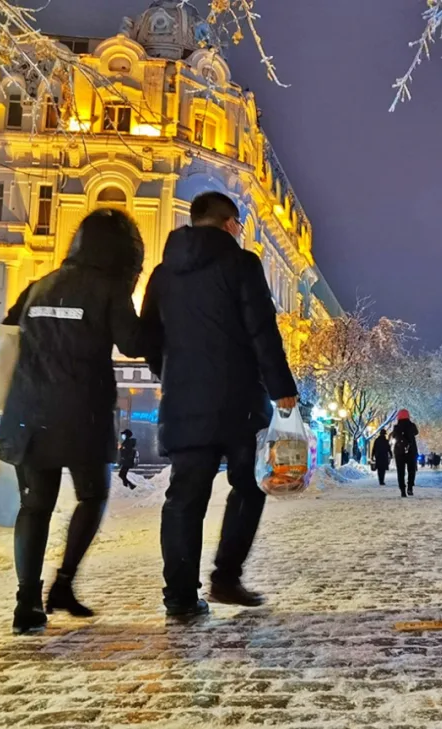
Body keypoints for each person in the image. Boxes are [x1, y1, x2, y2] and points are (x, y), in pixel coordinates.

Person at [141, 192, 298, 619]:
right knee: (248, 486)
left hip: (184, 400)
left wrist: (171, 375)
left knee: (184, 497)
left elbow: (148, 339)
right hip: (238, 402)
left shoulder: (162, 274)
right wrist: (281, 387)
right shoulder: (242, 265)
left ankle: (179, 597)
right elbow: (261, 331)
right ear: (230, 223)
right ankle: (226, 576)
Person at [0, 209, 146, 635]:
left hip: (29, 412)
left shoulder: (37, 287)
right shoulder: (110, 288)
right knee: (92, 496)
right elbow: (133, 342)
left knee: (34, 506)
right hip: (82, 411)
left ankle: (27, 602)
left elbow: (6, 334)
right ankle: (62, 583)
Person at [392, 410, 419, 497]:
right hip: (411, 451)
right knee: (411, 470)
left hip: (399, 452)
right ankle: (410, 487)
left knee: (400, 472)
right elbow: (416, 432)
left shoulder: (396, 427)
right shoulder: (412, 426)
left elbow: (393, 436)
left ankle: (402, 490)